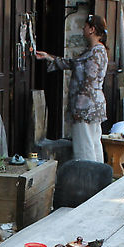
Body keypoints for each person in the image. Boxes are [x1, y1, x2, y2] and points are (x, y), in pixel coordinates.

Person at [35, 14, 108, 162]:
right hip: (92, 105)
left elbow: (89, 82)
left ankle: (88, 179)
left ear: (92, 29)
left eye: (85, 26)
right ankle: (99, 179)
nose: (83, 29)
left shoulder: (96, 53)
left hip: (87, 106)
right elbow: (73, 63)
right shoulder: (93, 51)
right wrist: (49, 57)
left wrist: (78, 108)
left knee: (84, 146)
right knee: (93, 142)